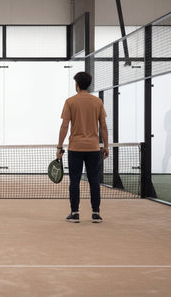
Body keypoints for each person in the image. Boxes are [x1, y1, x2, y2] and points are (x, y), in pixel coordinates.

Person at [57, 72, 109, 223]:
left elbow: (65, 125)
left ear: (77, 85)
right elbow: (103, 126)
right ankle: (96, 213)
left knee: (74, 181)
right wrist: (105, 145)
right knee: (94, 180)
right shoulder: (97, 102)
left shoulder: (70, 102)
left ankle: (74, 213)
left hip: (75, 148)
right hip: (93, 148)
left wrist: (59, 146)